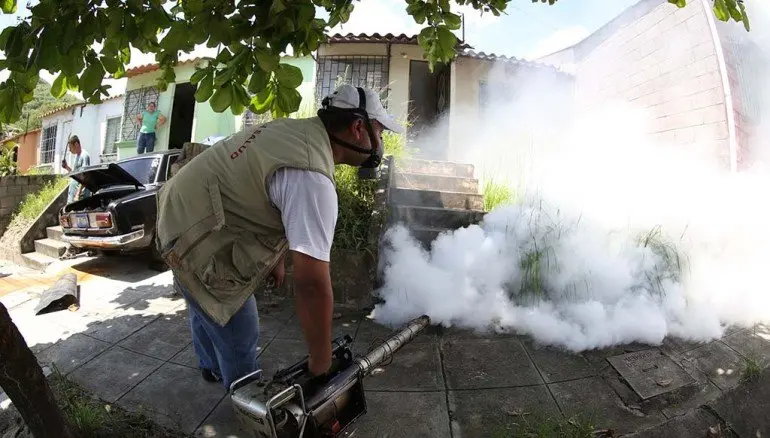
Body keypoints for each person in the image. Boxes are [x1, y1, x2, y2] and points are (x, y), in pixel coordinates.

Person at [155, 84, 403, 388]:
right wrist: (321, 361)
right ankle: (246, 400)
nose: (380, 145)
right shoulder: (311, 178)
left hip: (177, 210)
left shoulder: (295, 131)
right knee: (237, 326)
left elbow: (254, 186)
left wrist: (274, 257)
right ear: (358, 128)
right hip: (192, 236)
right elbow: (311, 284)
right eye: (380, 133)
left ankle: (210, 366)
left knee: (199, 300)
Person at [62, 135, 91, 203]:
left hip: (79, 197)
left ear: (76, 144)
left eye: (70, 147)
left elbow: (85, 176)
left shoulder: (84, 156)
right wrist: (66, 167)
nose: (69, 150)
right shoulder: (77, 156)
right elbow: (76, 174)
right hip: (73, 196)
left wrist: (78, 194)